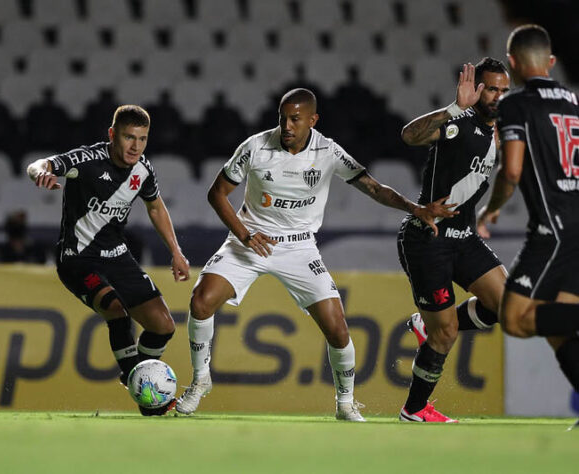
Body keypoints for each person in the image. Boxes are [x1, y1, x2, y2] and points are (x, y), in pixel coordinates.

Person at [175, 88, 457, 421]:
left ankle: (346, 402)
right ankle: (200, 380)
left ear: (313, 120)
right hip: (251, 240)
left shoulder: (328, 151)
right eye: (282, 118)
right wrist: (245, 234)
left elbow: (374, 187)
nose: (287, 126)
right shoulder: (255, 147)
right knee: (200, 300)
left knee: (337, 328)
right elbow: (217, 194)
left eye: (295, 119)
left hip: (299, 247)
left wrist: (414, 208)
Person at [27, 105, 190, 416]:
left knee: (164, 326)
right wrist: (42, 174)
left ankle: (138, 379)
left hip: (117, 256)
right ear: (112, 134)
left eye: (142, 139)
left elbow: (155, 207)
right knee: (116, 310)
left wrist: (176, 251)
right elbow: (38, 164)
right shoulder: (87, 160)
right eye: (129, 137)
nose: (136, 146)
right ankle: (138, 381)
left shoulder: (143, 169)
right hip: (78, 259)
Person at [396, 59, 511, 423]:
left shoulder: (498, 133)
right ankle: (413, 409)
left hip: (464, 238)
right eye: (491, 89)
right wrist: (453, 108)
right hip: (428, 239)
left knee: (507, 307)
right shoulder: (458, 123)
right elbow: (409, 136)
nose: (497, 97)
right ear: (476, 89)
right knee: (445, 334)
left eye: (503, 90)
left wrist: (492, 211)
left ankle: (424, 326)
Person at [476, 24, 579, 430]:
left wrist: (491, 210)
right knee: (557, 326)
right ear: (550, 62)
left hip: (553, 231)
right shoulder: (572, 101)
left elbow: (512, 170)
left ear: (514, 64)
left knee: (516, 319)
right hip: (576, 225)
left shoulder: (516, 104)